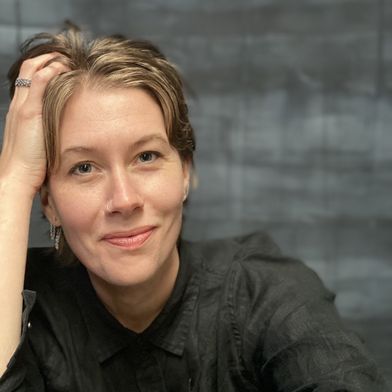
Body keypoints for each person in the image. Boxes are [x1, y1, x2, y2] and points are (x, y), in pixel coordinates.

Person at [0, 22, 387, 392]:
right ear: (48, 202)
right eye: (84, 167)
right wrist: (14, 181)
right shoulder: (24, 302)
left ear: (184, 172)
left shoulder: (263, 293)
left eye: (147, 156)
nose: (124, 200)